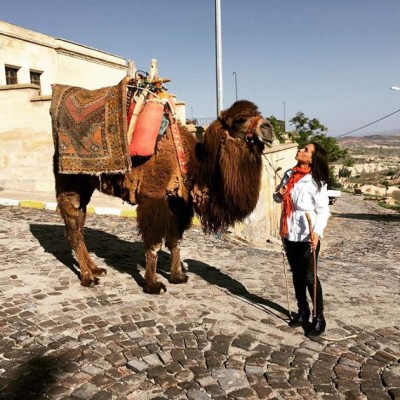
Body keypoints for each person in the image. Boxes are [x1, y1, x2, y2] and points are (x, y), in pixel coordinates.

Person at [273, 142, 330, 336]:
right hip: (290, 231)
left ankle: (319, 317)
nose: (300, 150)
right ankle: (302, 310)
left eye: (306, 150)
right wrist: (279, 194)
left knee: (309, 276)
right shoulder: (289, 174)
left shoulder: (317, 181)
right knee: (297, 274)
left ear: (312, 159)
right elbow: (278, 198)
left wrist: (317, 232)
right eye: (302, 148)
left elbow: (323, 210)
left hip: (307, 233)